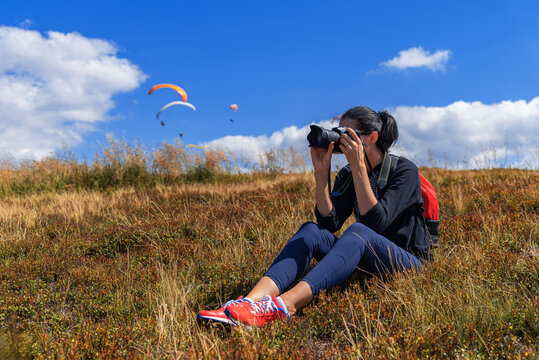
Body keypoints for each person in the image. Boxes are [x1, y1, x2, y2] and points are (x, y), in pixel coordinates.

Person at [197, 106, 431, 327]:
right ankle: (248, 303)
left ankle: (283, 306)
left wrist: (360, 168)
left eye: (348, 134)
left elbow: (377, 224)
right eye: (339, 133)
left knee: (359, 232)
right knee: (311, 231)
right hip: (366, 260)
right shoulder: (348, 173)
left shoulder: (404, 170)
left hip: (407, 262)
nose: (341, 139)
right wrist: (321, 174)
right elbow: (329, 223)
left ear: (372, 138)